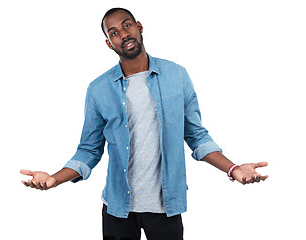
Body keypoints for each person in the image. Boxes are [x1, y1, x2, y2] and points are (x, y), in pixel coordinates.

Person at [20, 8, 269, 240]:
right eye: (113, 32)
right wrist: (54, 178)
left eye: (127, 25)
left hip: (165, 208)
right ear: (109, 43)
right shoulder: (98, 89)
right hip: (117, 208)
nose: (123, 34)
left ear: (139, 27)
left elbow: (196, 135)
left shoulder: (177, 75)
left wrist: (233, 168)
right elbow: (89, 150)